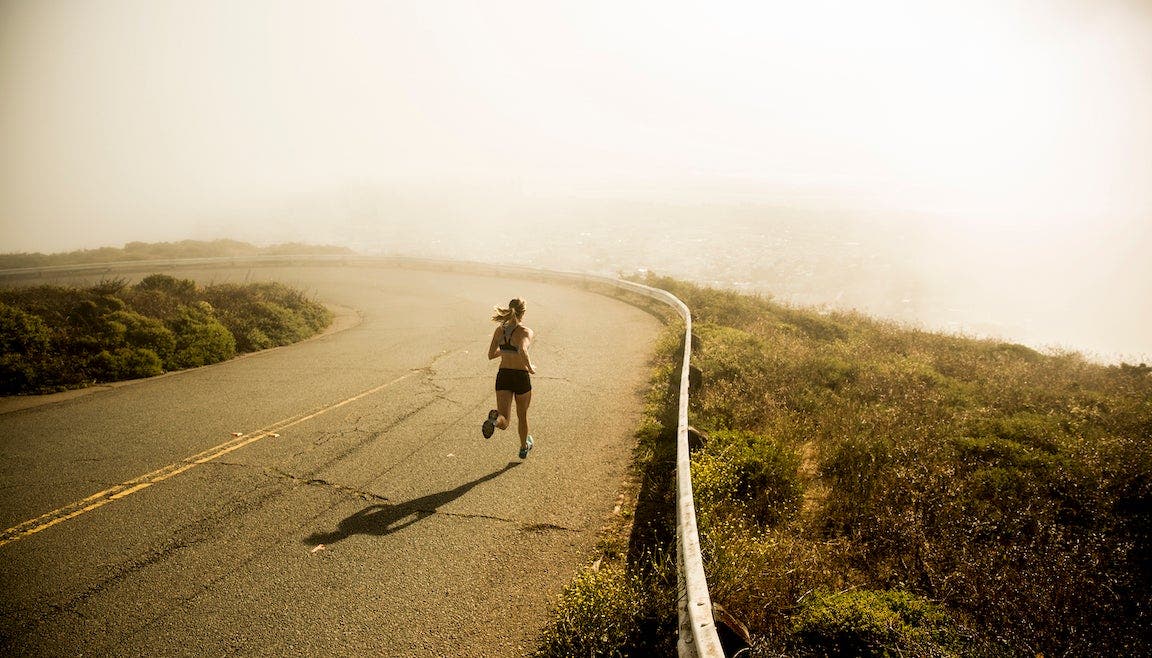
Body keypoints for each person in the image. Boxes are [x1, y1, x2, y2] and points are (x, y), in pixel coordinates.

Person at [482, 298, 537, 458]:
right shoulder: (526, 331)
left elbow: (491, 355)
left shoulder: (500, 330)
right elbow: (522, 349)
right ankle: (523, 447)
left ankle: (494, 421)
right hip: (520, 377)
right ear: (523, 312)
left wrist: (505, 350)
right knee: (522, 416)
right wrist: (530, 368)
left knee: (504, 419)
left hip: (504, 375)